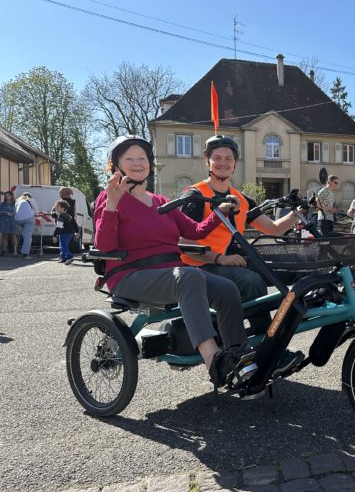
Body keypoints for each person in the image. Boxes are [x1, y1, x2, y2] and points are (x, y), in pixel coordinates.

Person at [93, 135, 254, 389]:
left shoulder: (161, 202)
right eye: (129, 159)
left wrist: (219, 212)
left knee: (226, 288)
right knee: (188, 275)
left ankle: (240, 359)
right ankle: (214, 360)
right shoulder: (109, 197)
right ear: (116, 165)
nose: (137, 163)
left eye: (142, 158)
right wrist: (112, 203)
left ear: (149, 163)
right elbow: (104, 246)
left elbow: (196, 232)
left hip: (170, 274)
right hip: (130, 275)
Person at [179, 134, 304, 375]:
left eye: (228, 158)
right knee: (251, 280)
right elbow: (183, 243)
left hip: (223, 263)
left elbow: (274, 228)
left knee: (288, 270)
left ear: (236, 162)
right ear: (207, 161)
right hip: (196, 266)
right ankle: (264, 351)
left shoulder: (241, 200)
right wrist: (220, 259)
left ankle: (281, 334)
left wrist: (297, 213)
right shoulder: (195, 195)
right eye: (217, 158)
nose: (223, 163)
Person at [51, 199, 76, 264]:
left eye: (57, 207)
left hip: (64, 233)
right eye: (55, 206)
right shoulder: (68, 215)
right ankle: (63, 258)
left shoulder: (60, 217)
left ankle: (69, 257)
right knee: (63, 245)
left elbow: (59, 227)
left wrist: (55, 235)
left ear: (63, 208)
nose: (55, 208)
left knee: (63, 246)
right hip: (70, 233)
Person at [14, 192, 38, 258]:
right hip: (29, 218)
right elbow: (36, 211)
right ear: (30, 196)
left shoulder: (18, 201)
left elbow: (15, 211)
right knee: (27, 236)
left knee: (23, 234)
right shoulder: (31, 200)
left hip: (18, 219)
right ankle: (25, 254)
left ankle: (15, 250)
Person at [0, 191, 17, 255]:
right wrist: (5, 213)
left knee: (13, 236)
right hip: (4, 222)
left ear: (11, 196)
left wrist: (11, 213)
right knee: (4, 236)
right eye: (6, 195)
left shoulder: (14, 204)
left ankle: (15, 250)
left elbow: (15, 212)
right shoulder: (2, 204)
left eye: (8, 195)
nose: (7, 196)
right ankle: (4, 250)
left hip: (12, 222)